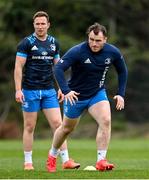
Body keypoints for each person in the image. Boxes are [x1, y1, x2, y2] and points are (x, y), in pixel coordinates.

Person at [47, 22, 128, 172]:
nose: (94, 43)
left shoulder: (113, 52)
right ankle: (52, 155)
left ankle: (101, 160)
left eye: (98, 40)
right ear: (88, 38)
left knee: (106, 120)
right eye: (91, 39)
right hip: (75, 96)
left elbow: (123, 71)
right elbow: (58, 68)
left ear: (105, 39)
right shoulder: (78, 51)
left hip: (97, 93)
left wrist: (121, 94)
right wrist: (65, 91)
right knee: (66, 129)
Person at [14, 11, 80, 171]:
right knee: (29, 126)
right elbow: (18, 67)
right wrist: (18, 90)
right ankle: (28, 162)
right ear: (34, 25)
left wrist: (62, 88)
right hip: (30, 91)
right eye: (37, 24)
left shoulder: (54, 43)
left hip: (49, 91)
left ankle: (66, 161)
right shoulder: (26, 43)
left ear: (48, 25)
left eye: (43, 23)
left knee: (59, 125)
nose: (40, 26)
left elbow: (58, 68)